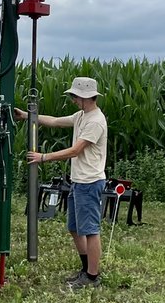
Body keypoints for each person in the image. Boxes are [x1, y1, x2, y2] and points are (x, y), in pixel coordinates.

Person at [15, 76, 108, 289]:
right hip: (78, 181)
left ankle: (93, 276)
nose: (73, 99)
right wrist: (28, 116)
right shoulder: (81, 115)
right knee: (74, 227)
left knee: (91, 230)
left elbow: (76, 150)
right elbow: (56, 121)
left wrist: (43, 157)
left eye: (75, 96)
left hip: (90, 182)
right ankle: (86, 270)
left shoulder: (95, 121)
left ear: (86, 97)